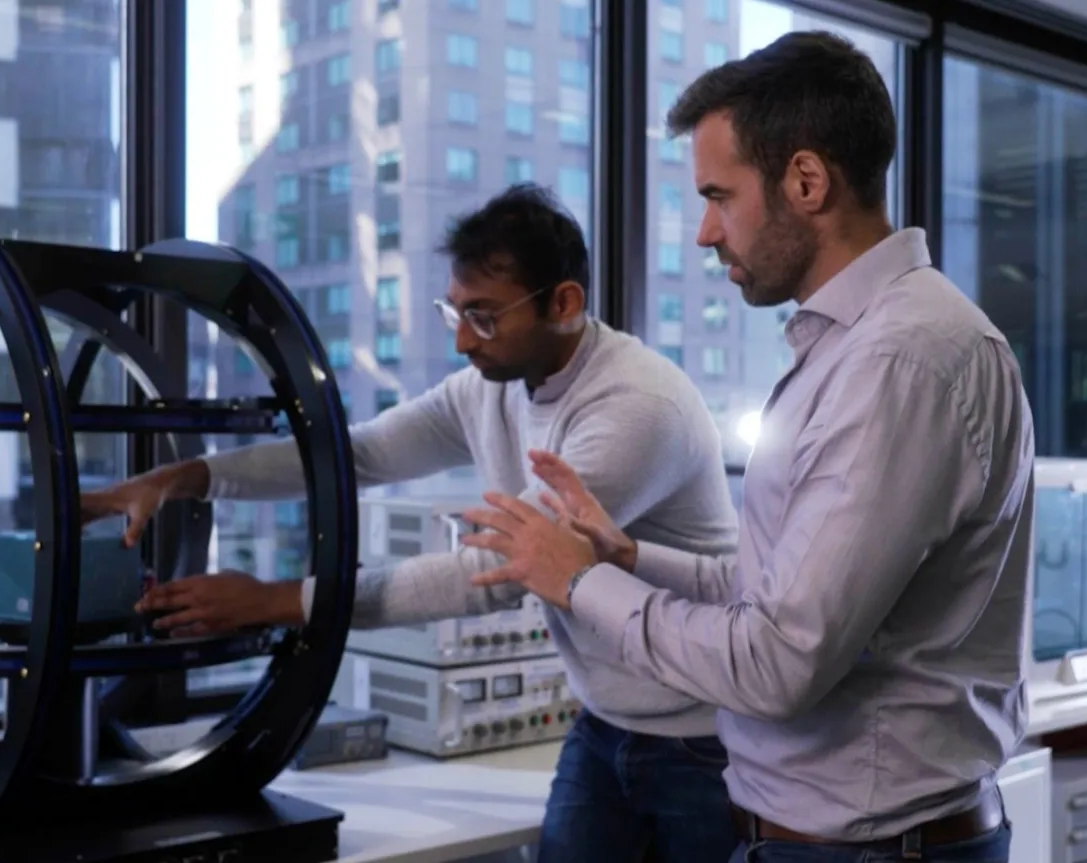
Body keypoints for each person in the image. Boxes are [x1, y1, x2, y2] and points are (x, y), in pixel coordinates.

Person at [455, 31, 1033, 863]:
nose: (703, 234)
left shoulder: (901, 362)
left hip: (868, 849)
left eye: (720, 197)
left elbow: (777, 662)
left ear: (805, 181)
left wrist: (579, 583)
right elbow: (778, 587)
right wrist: (626, 556)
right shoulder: (853, 349)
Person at [83, 183, 743, 861]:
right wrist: (188, 478)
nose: (462, 339)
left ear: (564, 303)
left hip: (702, 737)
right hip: (604, 720)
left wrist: (278, 602)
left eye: (484, 317)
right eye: (454, 312)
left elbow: (496, 574)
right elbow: (360, 453)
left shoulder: (634, 407)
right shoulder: (493, 385)